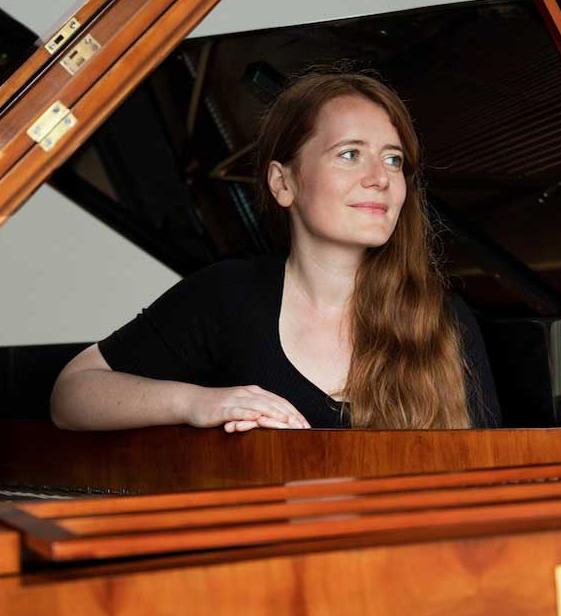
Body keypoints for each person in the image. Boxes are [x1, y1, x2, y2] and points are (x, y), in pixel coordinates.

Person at [50, 70, 500, 433]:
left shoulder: (442, 319)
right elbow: (72, 394)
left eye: (393, 159)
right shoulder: (228, 296)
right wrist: (199, 401)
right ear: (283, 183)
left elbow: (486, 480)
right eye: (349, 154)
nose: (380, 178)